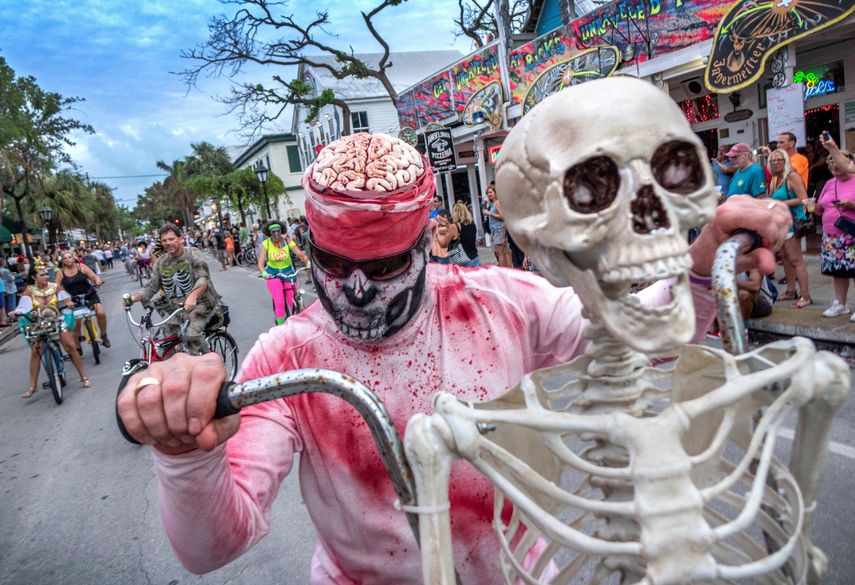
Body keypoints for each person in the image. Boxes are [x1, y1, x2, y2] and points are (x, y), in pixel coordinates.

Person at [117, 133, 788, 583]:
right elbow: (212, 548)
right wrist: (185, 451)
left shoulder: (508, 303)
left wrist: (701, 263)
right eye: (330, 262)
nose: (353, 287)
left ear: (423, 243)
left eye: (380, 264)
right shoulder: (287, 356)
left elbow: (641, 347)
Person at [124, 224, 222, 355]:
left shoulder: (193, 253)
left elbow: (203, 278)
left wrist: (193, 296)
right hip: (175, 309)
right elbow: (151, 286)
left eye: (171, 239)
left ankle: (210, 363)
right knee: (166, 342)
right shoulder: (161, 262)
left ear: (180, 239)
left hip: (201, 304)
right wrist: (134, 298)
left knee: (191, 335)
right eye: (164, 241)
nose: (168, 243)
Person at [11, 266, 91, 398]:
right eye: (42, 275)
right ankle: (33, 386)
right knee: (35, 352)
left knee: (70, 347)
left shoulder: (55, 287)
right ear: (34, 277)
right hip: (38, 324)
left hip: (57, 321)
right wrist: (16, 312)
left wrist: (69, 303)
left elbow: (66, 299)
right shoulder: (29, 291)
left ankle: (83, 377)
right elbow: (22, 307)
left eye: (46, 274)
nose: (46, 277)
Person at [767, 149, 812, 308]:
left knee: (796, 259)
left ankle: (805, 296)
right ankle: (791, 291)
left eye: (779, 160)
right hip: (780, 224)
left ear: (786, 161)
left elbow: (803, 198)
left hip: (792, 223)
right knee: (785, 258)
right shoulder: (775, 179)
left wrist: (781, 204)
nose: (776, 162)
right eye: (773, 160)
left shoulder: (791, 176)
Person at [816, 149, 855, 319]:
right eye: (832, 164)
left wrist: (851, 205)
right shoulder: (829, 183)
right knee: (837, 270)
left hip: (851, 234)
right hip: (831, 235)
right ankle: (840, 304)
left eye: (838, 163)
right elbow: (819, 208)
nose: (835, 167)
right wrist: (812, 207)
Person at [256, 219, 310, 325]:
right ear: (269, 233)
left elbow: (299, 254)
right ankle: (281, 327)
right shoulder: (266, 243)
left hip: (288, 272)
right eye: (273, 232)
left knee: (293, 300)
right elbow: (260, 264)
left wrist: (307, 261)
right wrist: (264, 273)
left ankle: (298, 323)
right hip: (273, 274)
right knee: (279, 302)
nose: (276, 234)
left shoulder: (287, 241)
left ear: (281, 231)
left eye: (278, 231)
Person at [55, 249, 111, 349]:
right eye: (65, 258)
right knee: (76, 324)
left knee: (101, 313)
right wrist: (66, 300)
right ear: (62, 261)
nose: (68, 259)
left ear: (73, 258)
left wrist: (98, 281)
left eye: (70, 257)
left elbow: (94, 277)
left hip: (89, 294)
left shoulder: (81, 267)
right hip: (73, 299)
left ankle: (104, 335)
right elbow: (57, 287)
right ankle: (77, 346)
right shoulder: (60, 272)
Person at [483, 184, 512, 267]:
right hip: (496, 230)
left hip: (499, 230)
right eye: (487, 193)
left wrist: (490, 213)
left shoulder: (497, 203)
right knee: (504, 252)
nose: (489, 194)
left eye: (491, 192)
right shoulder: (492, 203)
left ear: (495, 192)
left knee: (500, 253)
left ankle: (503, 272)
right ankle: (509, 271)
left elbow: (503, 217)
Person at [445, 201, 481, 267]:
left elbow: (444, 243)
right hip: (475, 257)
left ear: (455, 213)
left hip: (463, 260)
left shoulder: (455, 226)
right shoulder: (472, 224)